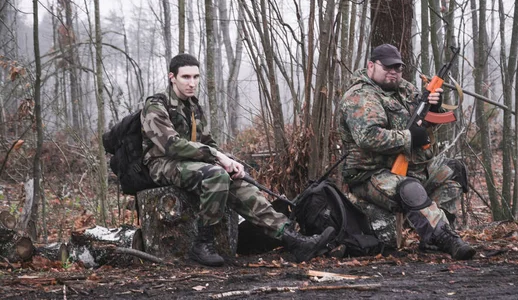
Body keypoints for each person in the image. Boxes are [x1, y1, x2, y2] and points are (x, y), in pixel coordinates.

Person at [140, 53, 335, 266]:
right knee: (215, 176)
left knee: (238, 181)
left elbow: (208, 144)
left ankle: (292, 239)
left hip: (190, 163)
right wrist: (216, 157)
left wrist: (229, 161)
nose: (192, 83)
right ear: (172, 77)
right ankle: (202, 245)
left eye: (196, 77)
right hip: (162, 164)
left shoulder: (193, 108)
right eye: (186, 77)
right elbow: (172, 145)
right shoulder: (156, 105)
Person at [338, 44, 475, 260]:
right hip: (371, 174)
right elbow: (368, 137)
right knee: (409, 189)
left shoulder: (407, 89)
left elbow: (423, 126)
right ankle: (445, 238)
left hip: (414, 167)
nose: (393, 72)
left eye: (398, 68)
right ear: (371, 66)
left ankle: (434, 238)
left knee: (454, 169)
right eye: (388, 67)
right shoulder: (361, 96)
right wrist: (410, 138)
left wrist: (435, 108)